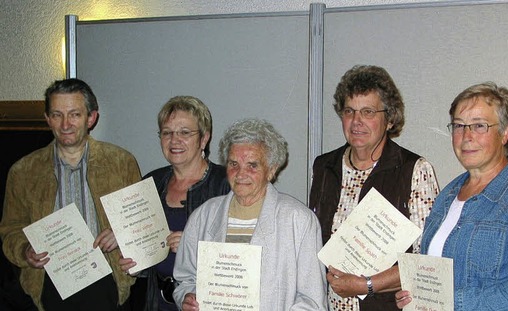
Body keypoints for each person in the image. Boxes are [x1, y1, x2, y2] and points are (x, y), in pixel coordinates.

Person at [396, 82, 508, 310]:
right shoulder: (447, 195)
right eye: (459, 126)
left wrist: (452, 301)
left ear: (505, 132)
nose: (466, 136)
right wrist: (414, 294)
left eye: (479, 126)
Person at [0, 78, 142, 310]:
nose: (65, 124)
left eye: (74, 114)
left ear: (91, 118)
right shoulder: (23, 171)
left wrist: (121, 233)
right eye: (57, 115)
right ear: (47, 119)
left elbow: (141, 223)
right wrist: (25, 250)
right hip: (49, 282)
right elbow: (10, 229)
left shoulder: (122, 162)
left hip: (108, 278)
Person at [308, 65, 439, 311]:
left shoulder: (414, 170)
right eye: (349, 111)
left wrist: (366, 285)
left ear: (389, 119)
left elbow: (427, 261)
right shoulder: (324, 167)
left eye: (368, 112)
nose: (356, 121)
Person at [173, 118, 327, 310]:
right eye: (233, 164)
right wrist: (186, 298)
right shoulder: (203, 216)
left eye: (252, 165)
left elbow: (312, 301)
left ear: (271, 170)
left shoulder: (299, 220)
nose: (240, 174)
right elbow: (184, 279)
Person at [118, 96, 230, 311]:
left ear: (204, 139)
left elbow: (245, 253)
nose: (174, 140)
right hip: (155, 301)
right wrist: (135, 263)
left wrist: (194, 248)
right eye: (167, 133)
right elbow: (144, 249)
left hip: (202, 302)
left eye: (185, 133)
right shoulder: (150, 183)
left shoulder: (225, 184)